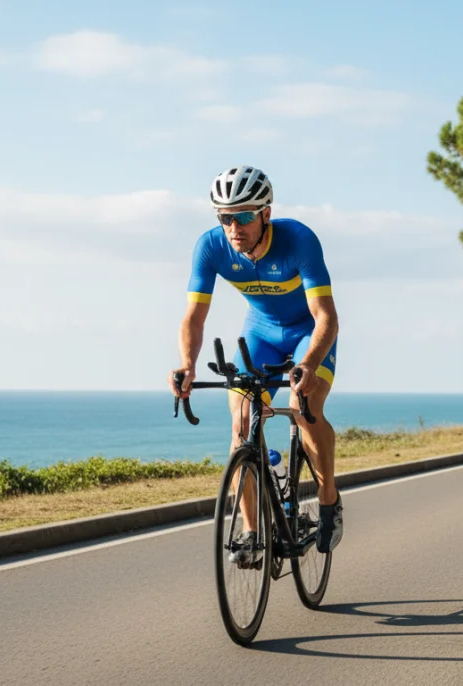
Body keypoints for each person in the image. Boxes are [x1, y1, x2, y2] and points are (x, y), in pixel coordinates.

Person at [169, 165, 342, 562]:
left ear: (266, 212)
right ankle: (251, 532)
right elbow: (193, 319)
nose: (234, 227)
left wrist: (310, 363)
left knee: (304, 407)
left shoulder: (298, 239)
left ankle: (329, 498)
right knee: (242, 423)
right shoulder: (211, 247)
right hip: (261, 333)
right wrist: (187, 365)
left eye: (244, 215)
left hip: (307, 332)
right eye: (225, 217)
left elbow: (326, 318)